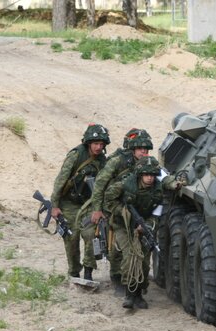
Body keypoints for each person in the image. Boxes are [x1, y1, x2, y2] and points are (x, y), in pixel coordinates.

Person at [87, 128, 154, 294]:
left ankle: (138, 281)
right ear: (132, 149)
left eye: (146, 149)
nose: (144, 152)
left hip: (137, 209)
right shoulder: (117, 161)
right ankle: (117, 278)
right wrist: (97, 209)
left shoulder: (149, 163)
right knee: (115, 246)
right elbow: (100, 185)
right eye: (140, 149)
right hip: (114, 207)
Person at [50, 124, 110, 280]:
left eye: (101, 144)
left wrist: (99, 208)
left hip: (88, 203)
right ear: (88, 143)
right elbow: (60, 180)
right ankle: (74, 271)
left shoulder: (103, 161)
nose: (98, 147)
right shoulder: (76, 155)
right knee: (71, 237)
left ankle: (88, 271)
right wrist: (54, 206)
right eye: (95, 143)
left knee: (91, 235)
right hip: (69, 202)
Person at [103, 156, 163, 309]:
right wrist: (123, 212)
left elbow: (157, 214)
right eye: (146, 175)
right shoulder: (124, 185)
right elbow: (108, 200)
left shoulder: (159, 190)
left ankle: (139, 294)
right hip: (123, 226)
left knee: (143, 262)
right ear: (140, 175)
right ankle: (130, 294)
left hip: (144, 226)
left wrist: (147, 226)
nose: (150, 178)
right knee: (130, 258)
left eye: (152, 175)